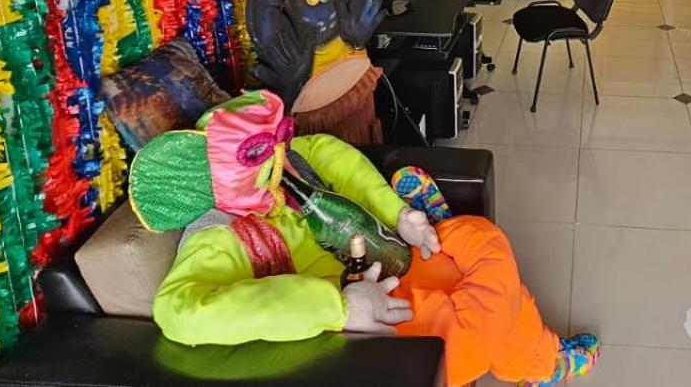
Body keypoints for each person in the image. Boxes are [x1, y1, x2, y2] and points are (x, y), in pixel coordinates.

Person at [134, 92, 598, 386]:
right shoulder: (218, 236)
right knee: (475, 324)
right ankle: (543, 362)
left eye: (280, 145)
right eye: (266, 159)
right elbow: (178, 314)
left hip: (390, 252)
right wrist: (337, 307)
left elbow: (334, 157)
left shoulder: (292, 158)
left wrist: (400, 215)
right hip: (373, 306)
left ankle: (442, 231)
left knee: (488, 245)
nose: (283, 161)